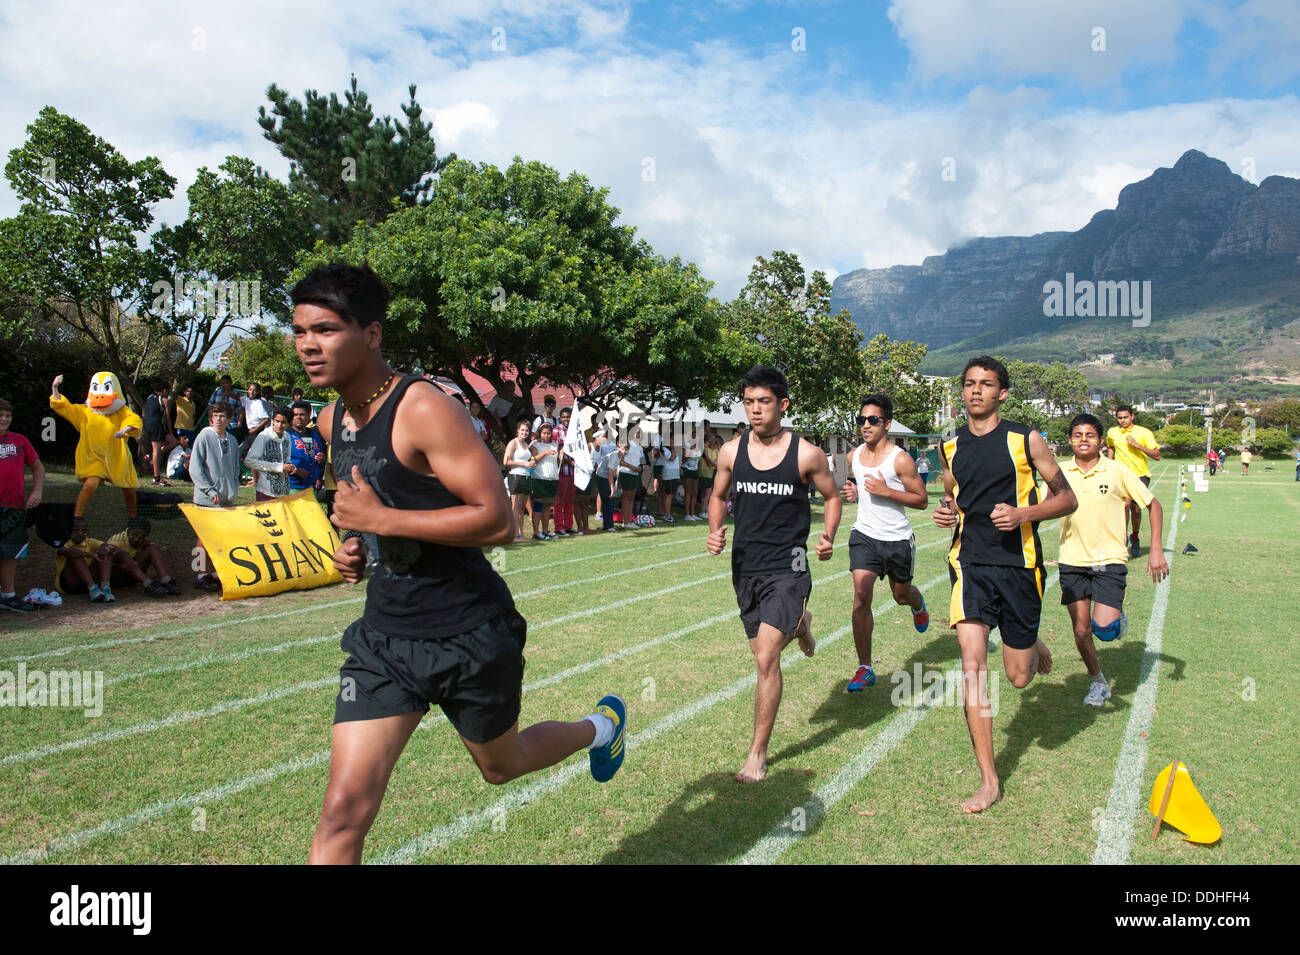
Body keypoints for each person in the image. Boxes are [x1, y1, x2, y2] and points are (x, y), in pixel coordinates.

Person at [290, 263, 625, 865]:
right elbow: (375, 508)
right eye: (300, 331)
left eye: (326, 330)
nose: (309, 345)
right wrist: (356, 549)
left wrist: (380, 523)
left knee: (503, 766)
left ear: (370, 334)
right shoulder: (330, 419)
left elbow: (500, 520)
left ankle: (599, 728)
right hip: (384, 642)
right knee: (342, 813)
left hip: (469, 633)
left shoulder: (423, 407)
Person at [932, 356, 1078, 813]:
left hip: (1021, 568)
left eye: (987, 384)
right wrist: (947, 511)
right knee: (973, 668)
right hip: (969, 564)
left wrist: (1022, 515)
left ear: (1003, 393)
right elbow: (954, 494)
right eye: (970, 384)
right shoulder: (949, 446)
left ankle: (1031, 646)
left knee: (1017, 678)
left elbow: (1067, 498)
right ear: (963, 392)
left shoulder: (1025, 439)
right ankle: (989, 780)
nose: (977, 391)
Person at [707, 365, 841, 783]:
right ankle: (802, 623)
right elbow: (716, 496)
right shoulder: (731, 452)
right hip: (746, 567)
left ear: (782, 404)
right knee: (760, 649)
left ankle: (757, 755)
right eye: (748, 402)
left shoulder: (807, 454)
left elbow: (832, 496)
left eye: (764, 401)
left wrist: (828, 535)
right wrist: (715, 531)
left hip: (790, 566)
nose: (755, 410)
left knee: (766, 658)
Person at [1055, 414, 1168, 706]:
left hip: (1109, 559)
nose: (1083, 439)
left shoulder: (1117, 471)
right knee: (1081, 630)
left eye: (1090, 435)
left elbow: (1153, 505)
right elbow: (1038, 504)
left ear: (1101, 441)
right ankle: (1098, 682)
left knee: (1104, 630)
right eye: (1077, 435)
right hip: (1071, 560)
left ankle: (1115, 615)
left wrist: (1155, 549)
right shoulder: (1058, 473)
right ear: (1069, 440)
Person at [839, 395, 930, 692]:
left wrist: (885, 491)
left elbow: (921, 500)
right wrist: (850, 488)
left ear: (887, 424)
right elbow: (840, 477)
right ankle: (865, 667)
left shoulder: (899, 459)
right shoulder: (854, 456)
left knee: (901, 596)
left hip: (897, 540)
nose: (866, 425)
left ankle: (917, 605)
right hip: (864, 536)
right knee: (861, 597)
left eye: (873, 420)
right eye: (861, 420)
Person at [0, 397, 44, 613]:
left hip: (14, 507)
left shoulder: (19, 441)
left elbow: (38, 468)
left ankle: (8, 596)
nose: (5, 419)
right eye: (1, 415)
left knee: (11, 551)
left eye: (8, 415)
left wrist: (37, 491)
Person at [190, 401, 239, 592]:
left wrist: (232, 489)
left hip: (226, 499)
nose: (219, 419)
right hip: (206, 499)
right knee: (202, 538)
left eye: (223, 416)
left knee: (220, 538)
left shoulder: (232, 440)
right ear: (211, 418)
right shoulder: (204, 436)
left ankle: (216, 572)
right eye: (216, 415)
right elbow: (195, 468)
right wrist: (210, 491)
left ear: (229, 419)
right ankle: (199, 573)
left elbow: (235, 469)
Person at [1104, 404, 1160, 557]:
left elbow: (1157, 455)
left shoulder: (1143, 432)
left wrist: (1137, 445)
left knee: (1136, 509)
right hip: (1120, 474)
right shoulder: (1112, 432)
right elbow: (1110, 446)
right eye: (1119, 418)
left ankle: (1134, 536)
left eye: (1125, 417)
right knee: (1124, 505)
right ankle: (1122, 539)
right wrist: (1109, 462)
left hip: (1140, 475)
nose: (1122, 420)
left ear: (1132, 416)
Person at [105, 519, 180, 597]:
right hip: (116, 577)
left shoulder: (142, 542)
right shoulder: (115, 541)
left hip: (133, 577)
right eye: (134, 535)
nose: (136, 540)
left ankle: (167, 581)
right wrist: (122, 567)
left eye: (141, 537)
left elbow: (150, 548)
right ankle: (148, 585)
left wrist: (148, 545)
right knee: (123, 554)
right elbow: (104, 565)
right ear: (129, 530)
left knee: (152, 548)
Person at [55, 517, 116, 602]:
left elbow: (112, 547)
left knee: (106, 553)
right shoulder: (63, 542)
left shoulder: (89, 541)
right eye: (76, 530)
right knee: (76, 555)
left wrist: (105, 549)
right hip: (69, 584)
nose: (80, 533)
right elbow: (68, 552)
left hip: (86, 582)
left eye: (83, 530)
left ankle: (105, 588)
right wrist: (90, 554)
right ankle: (92, 588)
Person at [245, 406, 296, 501]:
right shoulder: (264, 436)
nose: (279, 425)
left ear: (289, 424)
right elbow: (249, 461)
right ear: (273, 420)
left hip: (283, 491)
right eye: (277, 421)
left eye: (283, 422)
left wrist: (290, 466)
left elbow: (286, 459)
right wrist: (278, 467)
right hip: (266, 491)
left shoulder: (287, 437)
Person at [502, 419, 534, 542]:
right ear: (517, 431)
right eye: (522, 430)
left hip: (526, 477)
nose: (524, 433)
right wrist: (523, 464)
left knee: (521, 508)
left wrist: (531, 466)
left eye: (526, 430)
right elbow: (506, 461)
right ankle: (514, 535)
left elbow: (529, 461)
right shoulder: (513, 443)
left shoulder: (526, 445)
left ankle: (521, 534)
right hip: (515, 476)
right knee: (515, 506)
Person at [529, 422, 560, 540]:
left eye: (548, 433)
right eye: (544, 433)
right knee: (539, 504)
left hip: (552, 478)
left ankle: (545, 530)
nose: (546, 436)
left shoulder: (554, 444)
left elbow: (556, 460)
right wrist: (544, 453)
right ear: (540, 433)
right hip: (539, 477)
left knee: (547, 505)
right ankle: (536, 532)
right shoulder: (535, 444)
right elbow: (532, 459)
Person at [287, 401, 326, 493]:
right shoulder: (285, 435)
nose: (298, 417)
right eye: (295, 414)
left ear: (309, 416)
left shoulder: (315, 435)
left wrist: (322, 458)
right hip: (290, 485)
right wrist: (296, 471)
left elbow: (323, 457)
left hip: (310, 485)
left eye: (302, 414)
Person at [143, 381, 175, 486]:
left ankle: (150, 456)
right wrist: (170, 431)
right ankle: (156, 478)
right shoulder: (163, 399)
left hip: (149, 425)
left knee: (173, 442)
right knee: (156, 450)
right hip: (157, 425)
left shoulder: (149, 397)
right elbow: (167, 417)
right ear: (164, 390)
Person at [553, 407, 575, 537]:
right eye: (564, 417)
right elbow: (555, 451)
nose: (566, 419)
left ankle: (568, 525)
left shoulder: (575, 432)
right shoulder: (556, 431)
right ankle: (558, 527)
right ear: (560, 418)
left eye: (568, 416)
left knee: (569, 500)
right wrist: (566, 461)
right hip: (562, 470)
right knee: (559, 501)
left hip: (573, 472)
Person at [616, 433, 646, 529]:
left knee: (632, 498)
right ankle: (625, 522)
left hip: (635, 474)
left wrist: (640, 467)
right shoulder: (627, 444)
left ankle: (629, 521)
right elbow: (620, 461)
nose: (639, 435)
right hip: (626, 473)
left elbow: (641, 462)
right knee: (626, 497)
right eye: (637, 433)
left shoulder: (640, 448)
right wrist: (632, 467)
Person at [593, 427, 619, 531]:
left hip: (609, 473)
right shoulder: (601, 444)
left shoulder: (614, 446)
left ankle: (608, 524)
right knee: (608, 499)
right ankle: (608, 525)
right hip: (602, 474)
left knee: (609, 500)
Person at [697, 432, 719, 519]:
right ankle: (703, 511)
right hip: (706, 472)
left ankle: (705, 510)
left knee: (706, 493)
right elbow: (710, 463)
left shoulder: (714, 450)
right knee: (706, 493)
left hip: (709, 472)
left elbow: (715, 461)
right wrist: (713, 463)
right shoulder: (704, 449)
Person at [657, 443, 680, 522]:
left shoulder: (670, 449)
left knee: (670, 495)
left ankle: (666, 513)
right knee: (668, 495)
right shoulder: (664, 449)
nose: (673, 442)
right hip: (669, 475)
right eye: (672, 440)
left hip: (674, 474)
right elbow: (671, 458)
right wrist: (673, 448)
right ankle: (667, 515)